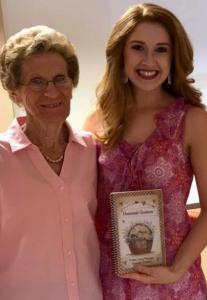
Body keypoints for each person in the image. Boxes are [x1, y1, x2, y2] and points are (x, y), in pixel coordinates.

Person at [88, 3, 207, 299]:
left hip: (174, 283)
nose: (149, 60)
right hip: (113, 283)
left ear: (174, 56)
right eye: (138, 47)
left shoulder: (192, 121)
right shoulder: (98, 122)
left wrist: (176, 269)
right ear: (120, 53)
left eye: (161, 49)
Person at [0, 25, 102, 300]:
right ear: (13, 92)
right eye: (36, 81)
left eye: (60, 79)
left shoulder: (93, 152)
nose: (51, 92)